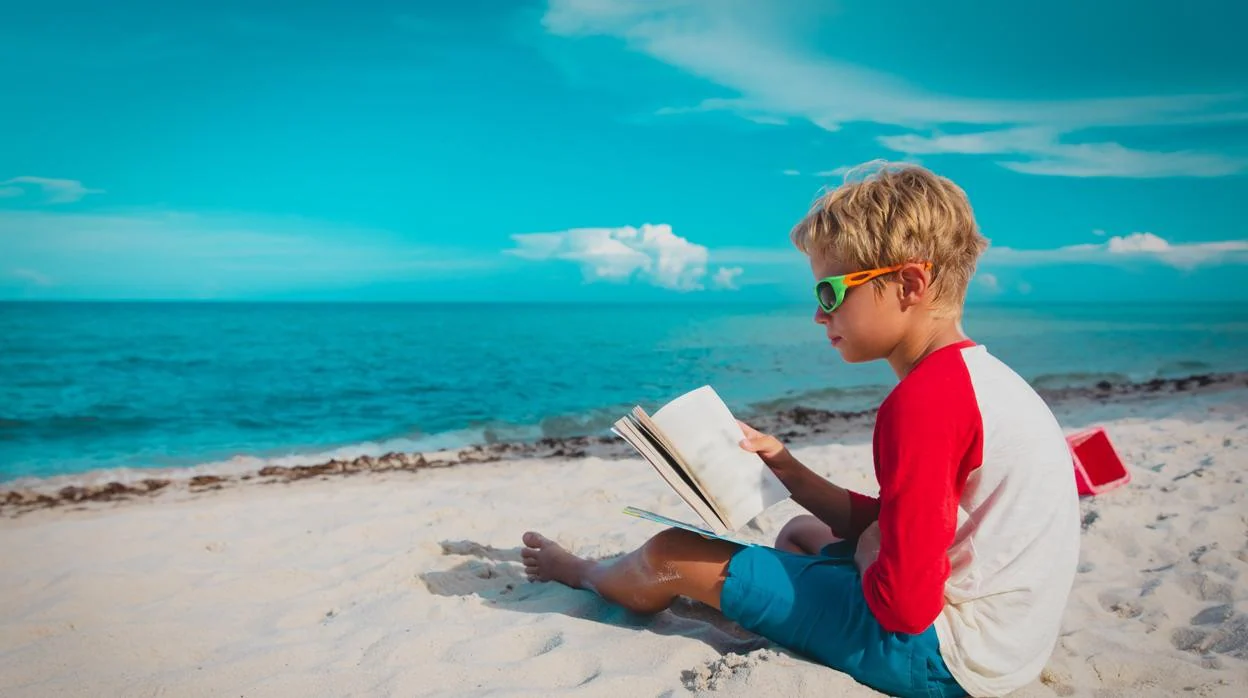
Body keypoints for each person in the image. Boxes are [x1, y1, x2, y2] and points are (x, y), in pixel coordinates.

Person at [520, 162, 1081, 698]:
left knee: (670, 550)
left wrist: (867, 548)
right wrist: (787, 468)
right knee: (798, 532)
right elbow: (912, 524)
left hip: (941, 656)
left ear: (910, 284)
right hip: (1009, 645)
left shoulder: (922, 403)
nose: (819, 315)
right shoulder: (981, 379)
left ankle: (586, 573)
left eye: (831, 292)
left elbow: (904, 608)